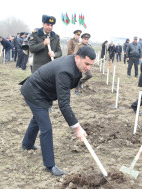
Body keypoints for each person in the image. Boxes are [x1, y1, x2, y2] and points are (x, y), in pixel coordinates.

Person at [20, 46, 96, 176]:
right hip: (34, 92)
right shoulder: (65, 71)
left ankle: (27, 144)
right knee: (46, 127)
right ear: (77, 58)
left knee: (38, 119)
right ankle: (50, 165)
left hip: (43, 92)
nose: (88, 68)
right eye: (86, 64)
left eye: (91, 65)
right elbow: (64, 104)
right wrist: (77, 128)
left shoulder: (74, 64)